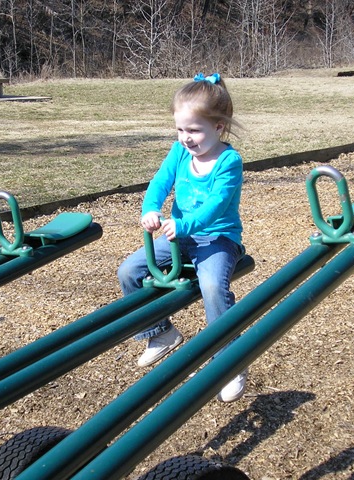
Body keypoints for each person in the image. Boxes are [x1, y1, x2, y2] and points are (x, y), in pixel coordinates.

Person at [117, 73, 247, 403]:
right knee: (129, 271)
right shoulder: (179, 152)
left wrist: (185, 224)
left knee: (213, 286)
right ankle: (160, 332)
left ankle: (229, 362)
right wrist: (151, 208)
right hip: (180, 235)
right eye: (180, 130)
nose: (186, 138)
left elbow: (217, 205)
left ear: (218, 127)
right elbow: (160, 182)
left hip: (217, 238)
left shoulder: (229, 161)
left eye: (194, 130)